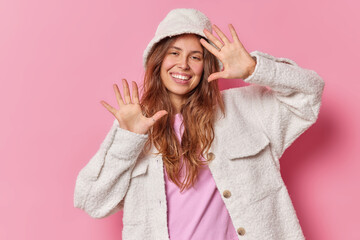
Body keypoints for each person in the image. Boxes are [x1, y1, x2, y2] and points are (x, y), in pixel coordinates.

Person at [74, 8, 324, 240]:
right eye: (174, 53)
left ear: (207, 66)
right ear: (158, 60)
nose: (183, 64)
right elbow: (93, 202)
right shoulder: (136, 123)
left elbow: (309, 94)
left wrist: (253, 68)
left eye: (195, 56)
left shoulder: (243, 110)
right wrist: (128, 140)